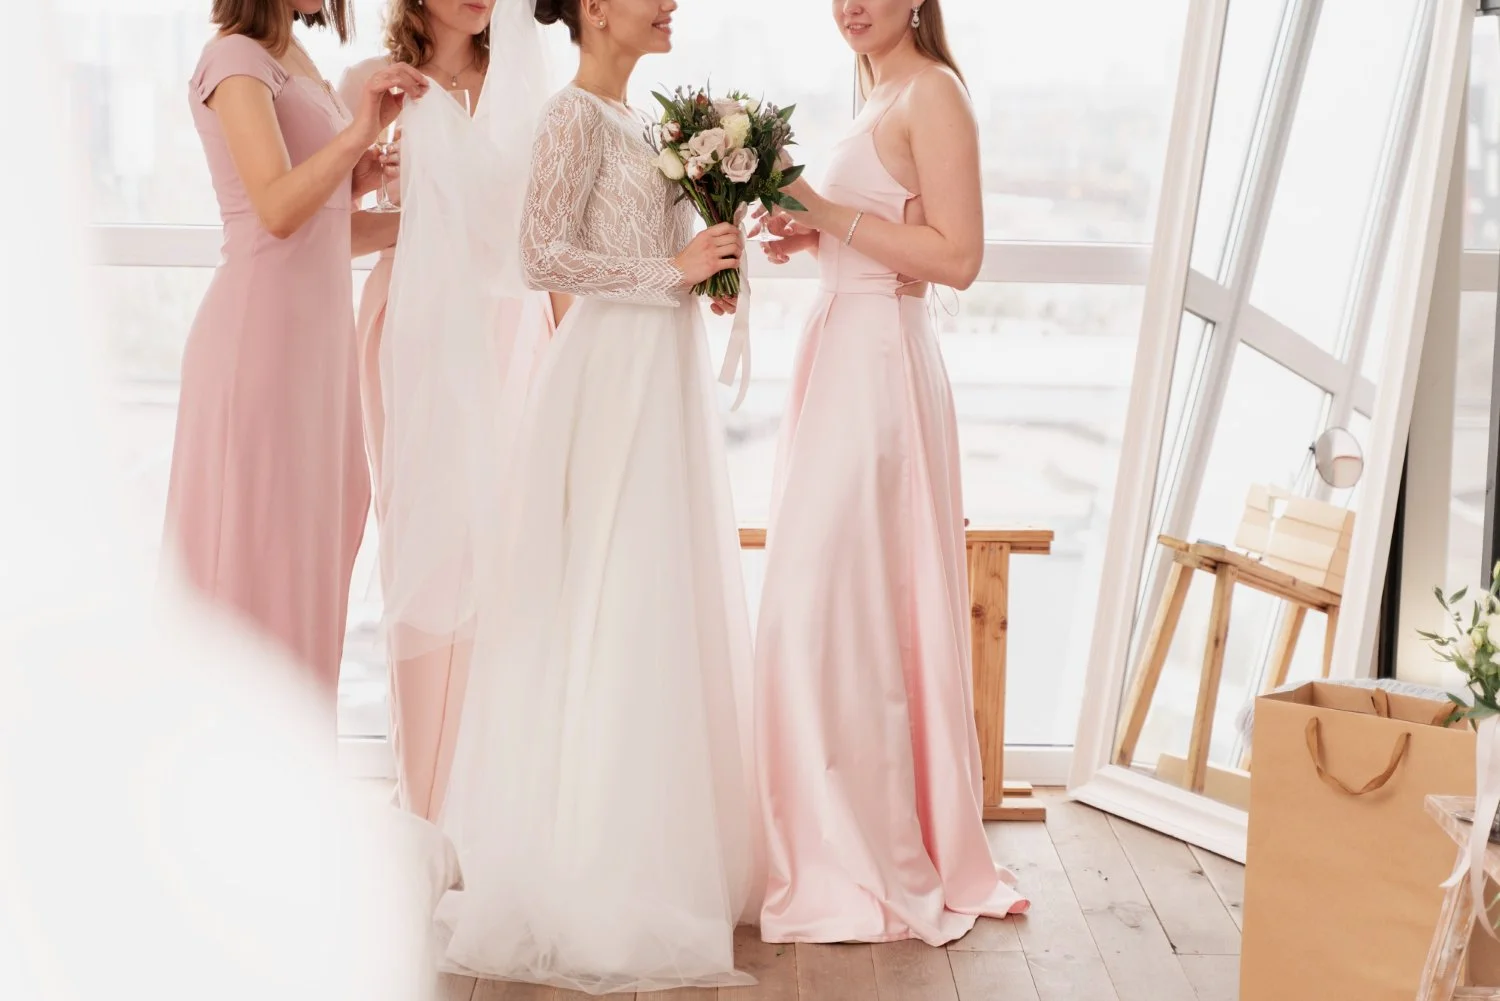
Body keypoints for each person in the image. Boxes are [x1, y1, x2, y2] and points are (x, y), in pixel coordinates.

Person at [430, 0, 762, 992]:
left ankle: (645, 856)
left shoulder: (643, 121)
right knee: (606, 601)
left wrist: (711, 264)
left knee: (651, 608)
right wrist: (671, 267)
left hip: (656, 377)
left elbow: (643, 262)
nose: (671, 5)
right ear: (595, 9)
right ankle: (595, 877)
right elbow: (538, 257)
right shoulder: (573, 113)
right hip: (608, 378)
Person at [751, 0, 1029, 945]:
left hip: (877, 376)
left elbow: (958, 258)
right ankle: (828, 837)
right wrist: (812, 238)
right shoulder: (876, 93)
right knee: (829, 606)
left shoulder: (935, 93)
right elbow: (885, 231)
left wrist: (825, 213)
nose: (850, 6)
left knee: (831, 607)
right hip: (841, 357)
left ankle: (864, 851)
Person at [164, 0, 429, 711]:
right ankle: (240, 792)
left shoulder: (300, 64)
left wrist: (397, 195)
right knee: (252, 571)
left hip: (318, 359)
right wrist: (357, 143)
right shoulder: (233, 60)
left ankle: (297, 786)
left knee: (311, 567)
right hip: (259, 352)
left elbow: (327, 232)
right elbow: (277, 213)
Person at [337, 0, 564, 822]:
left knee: (500, 553)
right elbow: (332, 231)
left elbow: (538, 233)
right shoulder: (375, 86)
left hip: (508, 332)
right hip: (414, 329)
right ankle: (423, 804)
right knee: (424, 549)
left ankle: (486, 801)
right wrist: (413, 211)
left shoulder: (525, 89)